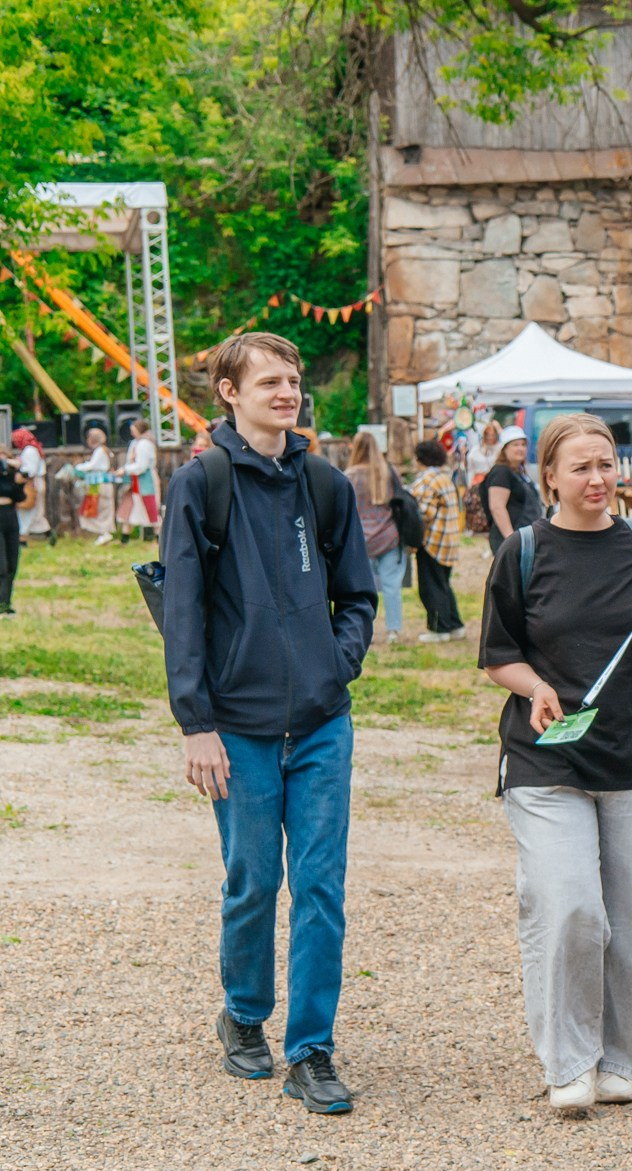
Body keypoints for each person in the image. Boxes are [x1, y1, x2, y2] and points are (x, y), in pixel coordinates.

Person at [158, 331, 376, 1116]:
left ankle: (311, 1048)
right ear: (228, 391)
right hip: (237, 728)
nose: (288, 392)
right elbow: (181, 611)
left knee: (321, 885)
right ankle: (244, 1014)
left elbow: (357, 596)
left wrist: (334, 662)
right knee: (254, 879)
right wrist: (195, 722)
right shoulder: (202, 483)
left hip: (322, 722)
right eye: (270, 382)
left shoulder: (325, 483)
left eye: (293, 381)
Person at [480, 412, 632, 1110]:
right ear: (549, 476)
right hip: (547, 759)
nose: (598, 478)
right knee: (573, 904)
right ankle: (568, 1059)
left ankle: (617, 1057)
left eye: (606, 463)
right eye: (581, 466)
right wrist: (537, 686)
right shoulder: (521, 551)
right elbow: (498, 656)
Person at [345, 431, 408, 646]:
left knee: (364, 588)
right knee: (392, 586)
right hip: (389, 535)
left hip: (361, 538)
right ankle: (393, 630)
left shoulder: (349, 476)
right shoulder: (388, 473)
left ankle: (365, 629)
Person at [407, 439, 466, 642]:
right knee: (443, 584)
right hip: (449, 540)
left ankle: (439, 629)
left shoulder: (427, 480)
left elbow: (424, 513)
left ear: (419, 458)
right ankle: (455, 625)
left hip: (432, 541)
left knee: (430, 587)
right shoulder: (444, 477)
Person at [483, 426, 543, 553]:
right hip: (512, 541)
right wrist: (511, 540)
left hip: (526, 538)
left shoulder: (520, 472)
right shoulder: (501, 472)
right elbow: (497, 507)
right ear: (504, 449)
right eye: (515, 445)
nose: (520, 448)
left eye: (523, 444)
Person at [120, 420, 161, 542]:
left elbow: (141, 466)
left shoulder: (145, 444)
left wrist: (125, 470)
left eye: (133, 430)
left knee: (151, 508)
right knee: (130, 507)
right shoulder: (135, 443)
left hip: (146, 480)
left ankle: (159, 538)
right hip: (135, 481)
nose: (132, 433)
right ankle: (124, 538)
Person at [0, 437, 25, 614]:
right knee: (1, 565)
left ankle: (6, 603)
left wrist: (18, 483)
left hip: (10, 514)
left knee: (12, 563)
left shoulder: (10, 476)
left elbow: (20, 497)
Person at [79, 428, 117, 543]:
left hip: (100, 484)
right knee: (100, 508)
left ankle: (105, 533)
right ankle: (103, 533)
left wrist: (78, 467)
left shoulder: (100, 451)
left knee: (101, 508)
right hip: (103, 483)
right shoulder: (106, 450)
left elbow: (92, 466)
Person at [15, 425, 50, 547]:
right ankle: (46, 533)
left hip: (32, 484)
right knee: (36, 511)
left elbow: (30, 471)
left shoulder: (29, 451)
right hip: (36, 482)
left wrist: (18, 467)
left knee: (27, 510)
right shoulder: (32, 449)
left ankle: (23, 537)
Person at [467, 419, 503, 487]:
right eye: (488, 434)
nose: (490, 437)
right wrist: (470, 485)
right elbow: (471, 469)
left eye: (493, 435)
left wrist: (499, 429)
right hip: (478, 482)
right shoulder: (476, 449)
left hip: (494, 481)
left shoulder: (500, 448)